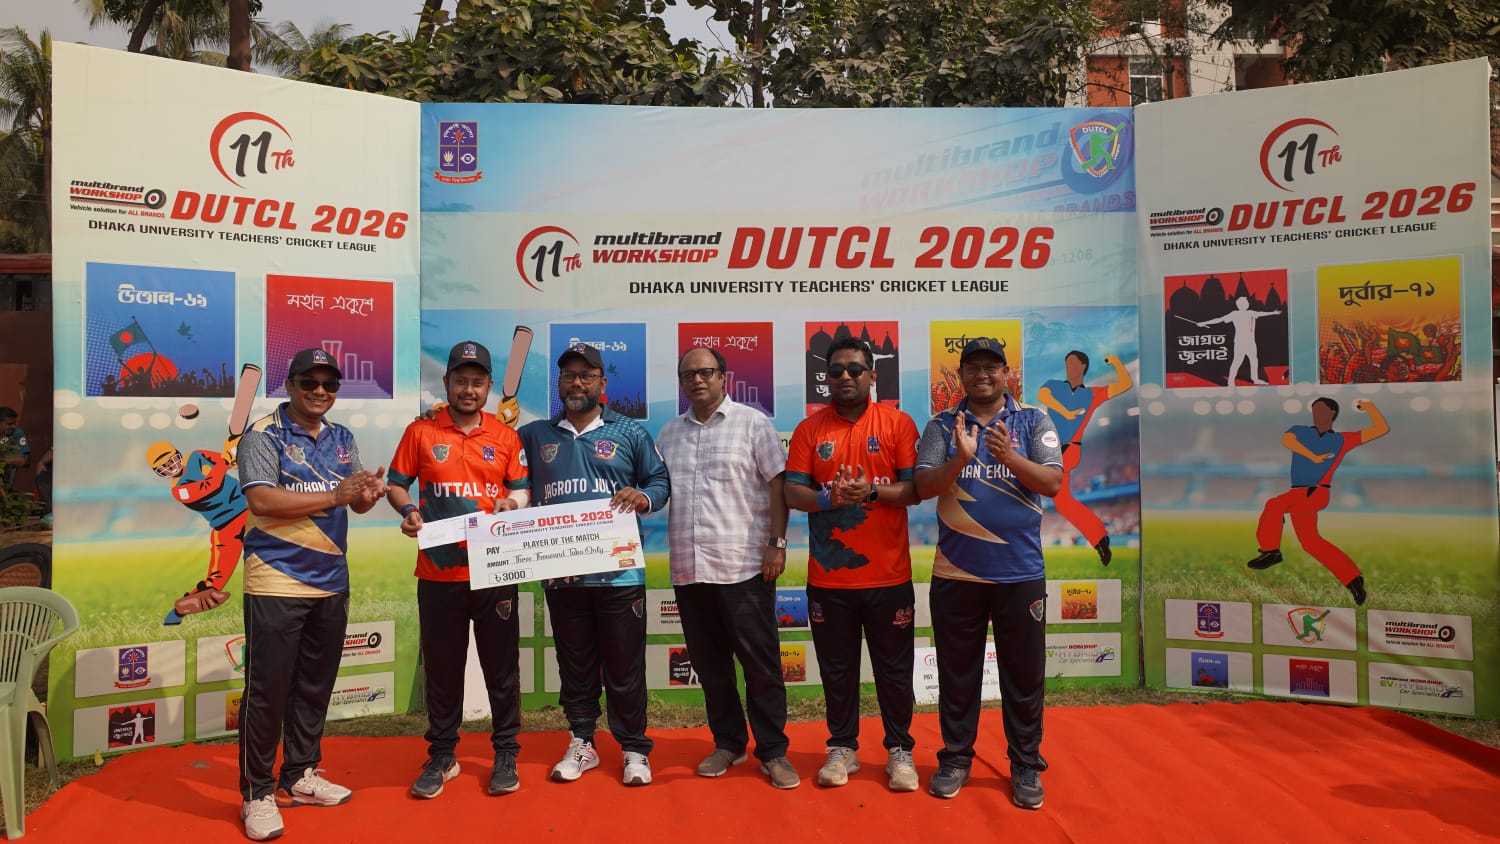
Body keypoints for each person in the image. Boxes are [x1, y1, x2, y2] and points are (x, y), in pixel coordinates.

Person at [235, 348, 387, 842]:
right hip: (276, 579)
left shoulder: (342, 437)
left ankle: (299, 774)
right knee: (267, 691)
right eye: (310, 383)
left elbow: (353, 502)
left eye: (329, 384)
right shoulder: (263, 434)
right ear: (290, 385)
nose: (320, 391)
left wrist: (365, 496)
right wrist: (337, 496)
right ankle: (257, 793)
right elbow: (262, 499)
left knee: (314, 685)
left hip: (331, 580)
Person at [913, 337, 1063, 807]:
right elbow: (923, 486)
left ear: (1006, 374)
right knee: (958, 675)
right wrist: (960, 457)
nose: (982, 374)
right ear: (961, 376)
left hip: (1019, 574)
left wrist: (1009, 457)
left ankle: (1025, 763)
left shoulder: (1033, 420)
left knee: (1024, 675)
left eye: (991, 367)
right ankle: (956, 758)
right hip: (957, 573)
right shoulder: (942, 425)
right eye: (973, 367)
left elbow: (1053, 482)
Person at [517, 343, 669, 786]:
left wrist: (643, 496)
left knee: (624, 666)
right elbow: (505, 472)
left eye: (586, 375)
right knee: (576, 666)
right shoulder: (535, 435)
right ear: (559, 384)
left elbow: (659, 481)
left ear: (603, 383)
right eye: (569, 375)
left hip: (620, 573)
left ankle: (634, 748)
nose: (577, 382)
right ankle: (582, 742)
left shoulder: (630, 431)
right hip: (563, 575)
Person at [387, 341, 531, 799]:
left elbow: (521, 489)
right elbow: (396, 484)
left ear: (489, 387)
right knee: (443, 669)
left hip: (494, 570)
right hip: (438, 572)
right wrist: (408, 510)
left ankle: (505, 752)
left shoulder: (505, 436)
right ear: (446, 382)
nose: (469, 389)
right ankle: (443, 755)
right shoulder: (420, 431)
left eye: (478, 382)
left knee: (501, 668)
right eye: (461, 381)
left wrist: (512, 504)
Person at [656, 347, 798, 790]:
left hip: (744, 568)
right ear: (681, 383)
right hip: (689, 570)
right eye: (688, 375)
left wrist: (777, 543)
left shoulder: (753, 423)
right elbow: (656, 489)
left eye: (706, 372)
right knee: (710, 666)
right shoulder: (668, 435)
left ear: (724, 377)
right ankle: (728, 743)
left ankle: (773, 751)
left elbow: (778, 485)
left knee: (760, 666)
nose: (697, 380)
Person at [784, 335, 920, 792]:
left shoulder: (898, 424)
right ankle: (842, 747)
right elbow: (793, 492)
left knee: (894, 671)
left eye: (855, 369)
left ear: (872, 375)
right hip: (830, 579)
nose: (845, 376)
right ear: (826, 378)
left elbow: (915, 490)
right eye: (836, 370)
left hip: (889, 576)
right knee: (836, 671)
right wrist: (831, 498)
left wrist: (872, 492)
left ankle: (900, 750)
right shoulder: (809, 430)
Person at [1247, 397, 1389, 605]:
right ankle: (1353, 579)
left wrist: (1369, 407)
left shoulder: (1342, 439)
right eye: (1314, 409)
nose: (1316, 413)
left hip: (1316, 491)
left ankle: (1271, 551)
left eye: (1321, 409)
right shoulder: (1300, 431)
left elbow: (1381, 429)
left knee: (1274, 505)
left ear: (1332, 413)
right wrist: (1312, 456)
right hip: (1299, 493)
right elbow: (1288, 441)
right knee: (1311, 542)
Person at [1036, 350, 1132, 565]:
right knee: (1063, 503)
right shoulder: (1054, 385)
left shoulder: (1091, 394)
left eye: (1073, 363)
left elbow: (1125, 384)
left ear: (1083, 368)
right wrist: (1065, 412)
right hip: (1050, 449)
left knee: (1036, 487)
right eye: (1066, 363)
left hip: (1067, 451)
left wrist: (1117, 362)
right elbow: (1043, 396)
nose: (1068, 367)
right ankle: (1099, 537)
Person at [145, 435, 247, 621]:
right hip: (226, 526)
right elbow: (210, 485)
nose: (170, 467)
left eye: (170, 461)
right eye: (164, 467)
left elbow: (226, 461)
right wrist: (225, 461)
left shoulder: (196, 456)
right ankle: (180, 610)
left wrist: (233, 454)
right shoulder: (179, 490)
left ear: (177, 455)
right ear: (159, 472)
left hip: (250, 509)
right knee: (216, 579)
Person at [1196, 296, 1280, 385]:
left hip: (1250, 342)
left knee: (1254, 360)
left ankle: (1255, 378)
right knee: (1237, 361)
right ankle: (1231, 381)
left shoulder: (1250, 312)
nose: (1246, 304)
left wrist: (1273, 313)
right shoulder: (1235, 314)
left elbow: (1261, 313)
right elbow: (1220, 319)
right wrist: (1204, 323)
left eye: (1247, 302)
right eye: (1244, 303)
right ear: (1239, 305)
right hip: (1240, 341)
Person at [0, 407, 29, 492]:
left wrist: (3, 460)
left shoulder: (16, 433)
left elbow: (23, 461)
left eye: (15, 423)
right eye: (9, 424)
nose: (14, 426)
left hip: (5, 473)